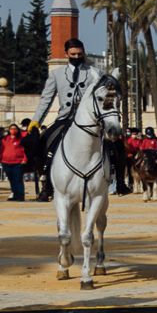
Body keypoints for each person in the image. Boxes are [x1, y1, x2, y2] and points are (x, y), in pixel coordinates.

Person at [32, 38, 102, 202]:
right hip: (65, 119)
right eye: (73, 54)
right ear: (66, 54)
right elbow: (46, 99)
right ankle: (46, 184)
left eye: (79, 54)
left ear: (83, 52)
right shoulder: (56, 74)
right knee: (45, 143)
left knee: (114, 145)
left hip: (89, 120)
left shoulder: (94, 72)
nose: (77, 57)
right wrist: (36, 121)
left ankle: (118, 181)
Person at [0, 122, 27, 201]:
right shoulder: (5, 139)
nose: (13, 130)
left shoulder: (21, 139)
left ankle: (20, 196)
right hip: (6, 162)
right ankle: (14, 194)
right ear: (9, 130)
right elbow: (2, 149)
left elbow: (24, 150)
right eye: (11, 129)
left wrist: (24, 159)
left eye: (15, 129)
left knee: (18, 179)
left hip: (17, 162)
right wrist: (0, 157)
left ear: (18, 130)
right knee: (11, 180)